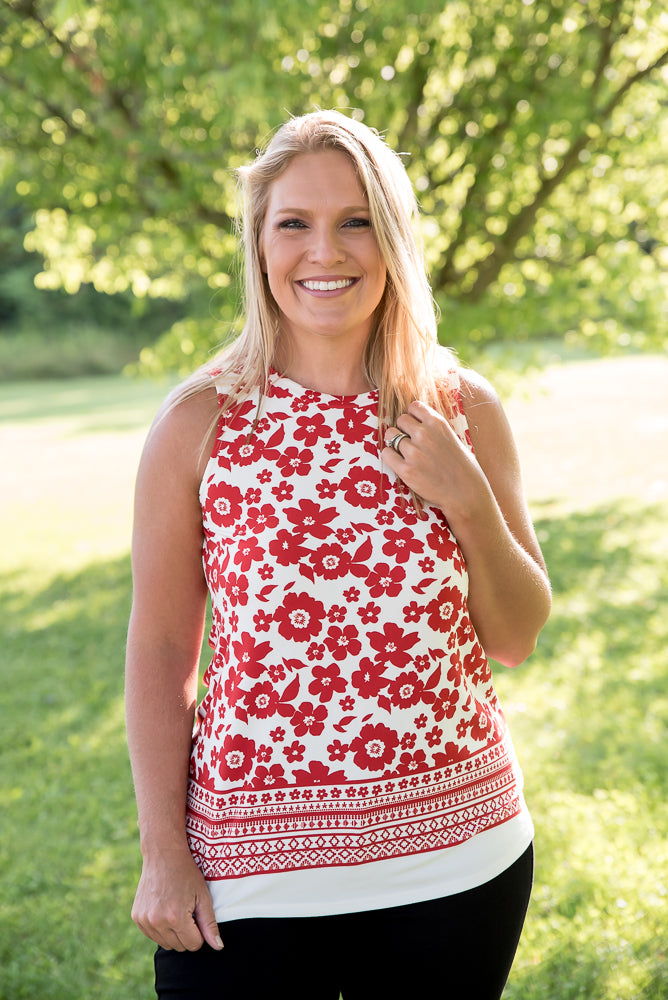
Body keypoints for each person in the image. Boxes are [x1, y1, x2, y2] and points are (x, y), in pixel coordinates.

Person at [125, 109, 552, 1000]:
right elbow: (163, 652)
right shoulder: (200, 422)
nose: (327, 251)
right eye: (296, 223)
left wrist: (468, 499)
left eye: (355, 220)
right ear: (260, 243)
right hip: (251, 879)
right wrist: (164, 855)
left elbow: (515, 636)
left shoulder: (461, 407)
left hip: (460, 864)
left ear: (392, 236)